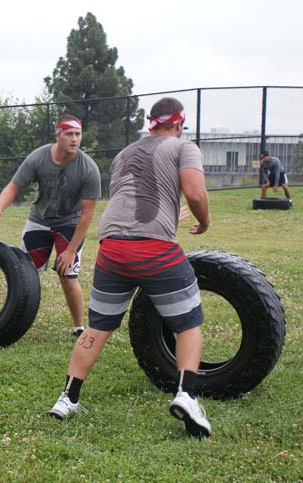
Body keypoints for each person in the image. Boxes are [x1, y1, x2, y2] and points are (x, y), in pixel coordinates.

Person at [47, 97, 213, 438]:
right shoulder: (185, 147)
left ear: (151, 122)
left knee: (97, 328)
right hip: (154, 248)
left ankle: (68, 398)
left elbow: (134, 199)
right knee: (188, 323)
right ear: (179, 124)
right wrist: (203, 221)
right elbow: (195, 193)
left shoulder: (125, 153)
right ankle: (188, 395)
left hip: (112, 246)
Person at [0, 115, 101, 337]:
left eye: (78, 134)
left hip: (70, 222)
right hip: (38, 221)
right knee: (23, 273)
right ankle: (10, 318)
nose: (74, 139)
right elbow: (14, 186)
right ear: (57, 135)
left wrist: (70, 251)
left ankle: (79, 327)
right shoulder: (38, 157)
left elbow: (87, 215)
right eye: (69, 134)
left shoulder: (88, 168)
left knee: (67, 274)